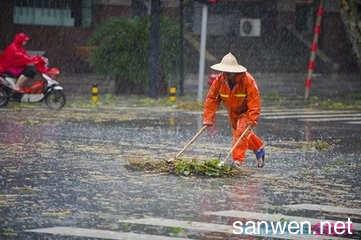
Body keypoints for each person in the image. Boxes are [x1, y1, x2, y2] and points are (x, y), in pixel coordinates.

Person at [203, 53, 265, 168]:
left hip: (246, 112)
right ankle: (258, 147)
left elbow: (254, 100)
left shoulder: (247, 80)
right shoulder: (219, 80)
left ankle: (237, 161)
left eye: (228, 71)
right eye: (224, 71)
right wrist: (208, 118)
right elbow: (212, 99)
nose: (226, 74)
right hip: (233, 112)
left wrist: (253, 119)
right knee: (242, 134)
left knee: (241, 131)